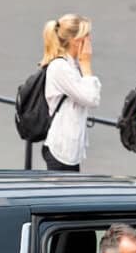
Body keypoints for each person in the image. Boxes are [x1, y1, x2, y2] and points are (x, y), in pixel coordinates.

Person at [40, 14, 101, 171]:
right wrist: (86, 64)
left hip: (70, 150)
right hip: (61, 150)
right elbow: (92, 99)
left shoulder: (72, 65)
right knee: (60, 195)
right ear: (76, 40)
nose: (90, 40)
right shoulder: (61, 68)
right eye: (87, 35)